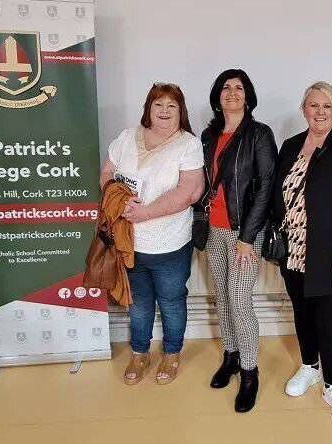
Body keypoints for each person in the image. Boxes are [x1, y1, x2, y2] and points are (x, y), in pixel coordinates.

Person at [271, 81, 332, 424]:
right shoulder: (290, 146)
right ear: (304, 109)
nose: (320, 112)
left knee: (329, 322)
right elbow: (278, 195)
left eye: (327, 106)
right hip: (293, 251)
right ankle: (309, 367)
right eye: (314, 105)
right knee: (302, 314)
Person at [99, 83, 204, 385]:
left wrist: (146, 212)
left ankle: (171, 353)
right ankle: (139, 353)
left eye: (172, 106)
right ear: (148, 108)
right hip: (129, 242)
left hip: (169, 244)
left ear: (181, 112)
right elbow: (107, 173)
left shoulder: (188, 144)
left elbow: (189, 192)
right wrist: (116, 199)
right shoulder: (126, 137)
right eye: (158, 104)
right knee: (139, 303)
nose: (164, 111)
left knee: (171, 301)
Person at [195, 69, 277, 413]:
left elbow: (267, 185)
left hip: (244, 234)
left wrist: (247, 237)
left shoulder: (259, 134)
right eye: (226, 88)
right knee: (223, 298)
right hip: (214, 231)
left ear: (248, 96)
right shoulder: (208, 135)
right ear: (218, 96)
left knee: (240, 300)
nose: (232, 93)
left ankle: (250, 371)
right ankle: (230, 355)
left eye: (238, 88)